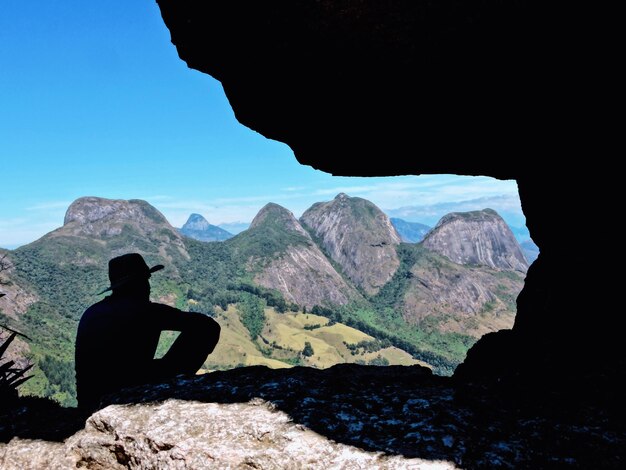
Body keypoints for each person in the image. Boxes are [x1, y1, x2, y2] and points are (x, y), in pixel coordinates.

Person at [75, 253, 220, 410]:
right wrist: (174, 367)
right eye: (146, 280)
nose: (149, 286)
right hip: (128, 394)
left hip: (90, 401)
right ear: (140, 284)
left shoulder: (91, 312)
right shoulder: (147, 312)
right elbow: (208, 326)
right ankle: (177, 381)